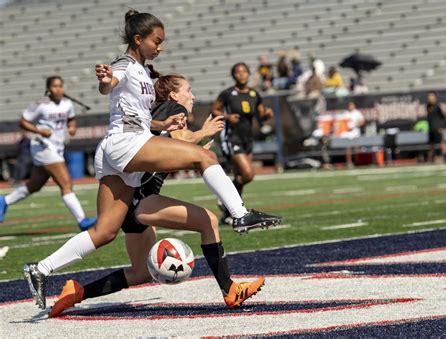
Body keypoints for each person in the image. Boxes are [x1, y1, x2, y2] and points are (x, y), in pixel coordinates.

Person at [23, 10, 281, 310]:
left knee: (104, 232)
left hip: (119, 148)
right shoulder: (125, 64)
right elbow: (111, 82)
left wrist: (162, 126)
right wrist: (106, 80)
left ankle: (40, 269)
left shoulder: (144, 72)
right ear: (138, 39)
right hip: (125, 143)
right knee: (204, 157)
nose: (160, 46)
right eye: (156, 41)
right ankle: (240, 214)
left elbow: (137, 115)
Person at [48, 74, 264, 317]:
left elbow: (169, 146)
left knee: (140, 272)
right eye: (188, 90)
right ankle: (230, 289)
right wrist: (202, 134)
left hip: (129, 203)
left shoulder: (156, 110)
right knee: (208, 221)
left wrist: (194, 147)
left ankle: (76, 293)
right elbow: (180, 138)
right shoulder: (175, 107)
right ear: (173, 95)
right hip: (141, 200)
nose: (192, 96)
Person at [0, 76, 96, 230]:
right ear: (48, 88)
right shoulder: (41, 104)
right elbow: (23, 121)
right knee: (66, 183)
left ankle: (4, 201)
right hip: (43, 147)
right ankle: (82, 220)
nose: (58, 89)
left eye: (61, 86)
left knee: (35, 185)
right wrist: (39, 131)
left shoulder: (67, 103)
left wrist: (72, 128)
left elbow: (71, 119)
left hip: (56, 147)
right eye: (55, 86)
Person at [211, 62, 274, 225]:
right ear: (233, 75)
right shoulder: (227, 93)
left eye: (244, 71)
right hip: (232, 137)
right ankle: (225, 199)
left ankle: (227, 211)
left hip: (247, 139)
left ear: (248, 74)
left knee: (241, 176)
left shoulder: (254, 94)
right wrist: (227, 117)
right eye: (238, 72)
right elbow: (214, 109)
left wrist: (267, 114)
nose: (241, 75)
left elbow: (261, 116)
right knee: (248, 174)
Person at [334, 102, 365, 167]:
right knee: (348, 147)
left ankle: (358, 162)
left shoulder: (357, 113)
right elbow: (342, 123)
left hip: (355, 132)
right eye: (349, 105)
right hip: (347, 133)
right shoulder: (345, 113)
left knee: (356, 147)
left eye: (352, 105)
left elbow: (362, 122)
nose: (351, 107)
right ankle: (349, 162)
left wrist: (355, 125)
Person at [426, 92, 446, 163]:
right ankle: (433, 157)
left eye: (431, 97)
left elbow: (443, 117)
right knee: (431, 144)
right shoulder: (428, 106)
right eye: (429, 97)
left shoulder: (438, 106)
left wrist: (441, 127)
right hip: (431, 128)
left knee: (442, 142)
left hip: (437, 128)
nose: (430, 98)